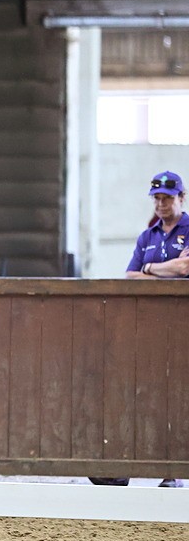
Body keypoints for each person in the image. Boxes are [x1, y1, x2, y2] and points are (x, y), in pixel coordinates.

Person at [90, 171, 188, 488]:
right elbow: (131, 276)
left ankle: (172, 471)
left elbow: (187, 269)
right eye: (157, 198)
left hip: (182, 326)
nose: (161, 204)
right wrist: (161, 269)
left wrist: (156, 271)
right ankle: (124, 465)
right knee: (143, 392)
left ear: (181, 199)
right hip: (147, 327)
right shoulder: (148, 235)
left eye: (167, 198)